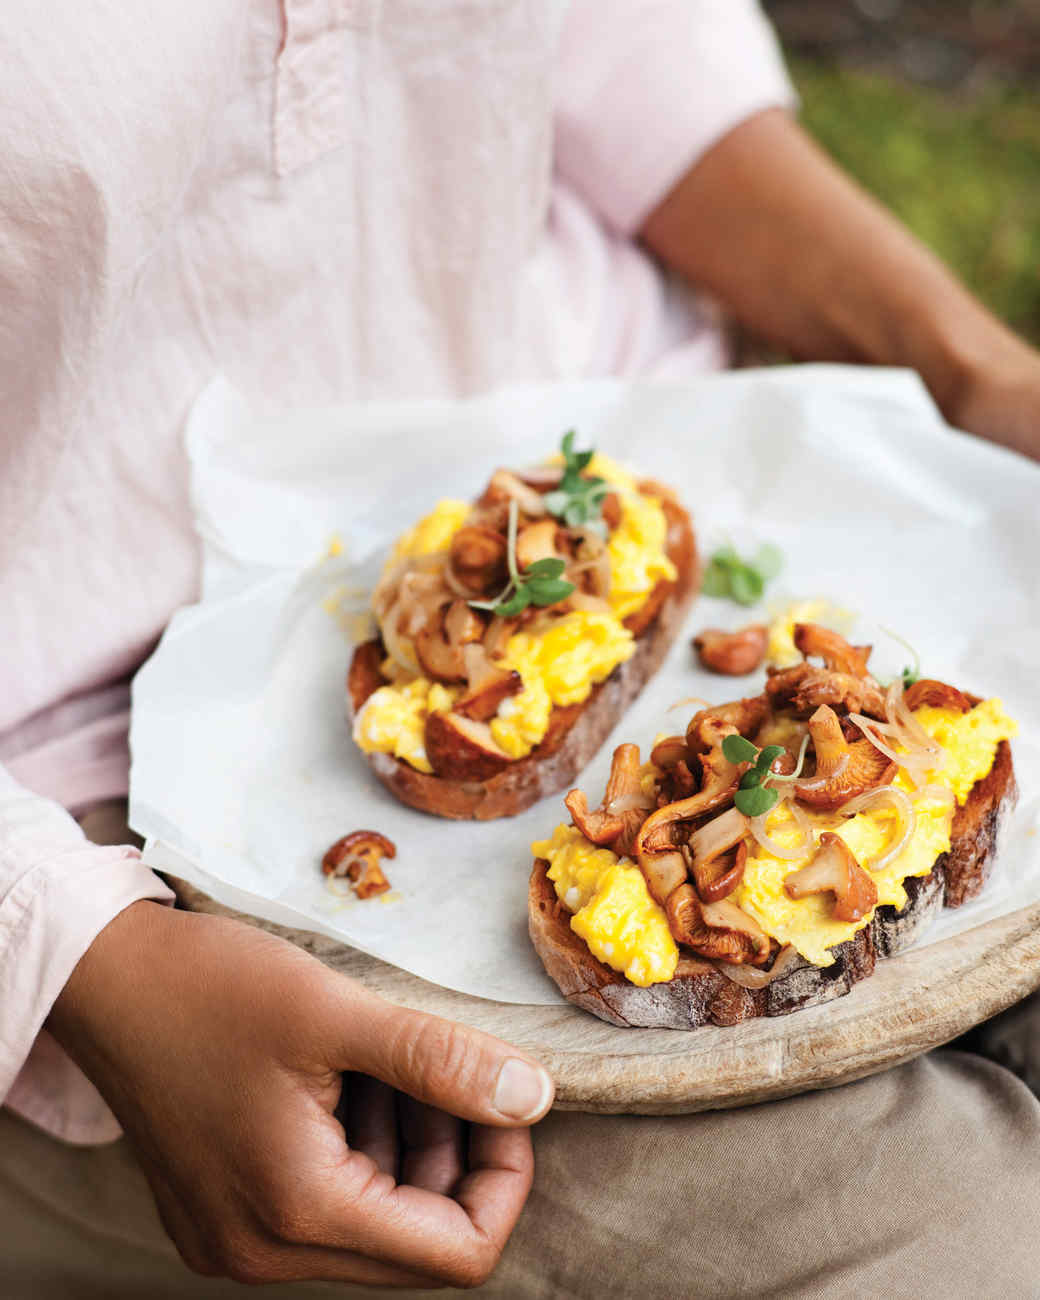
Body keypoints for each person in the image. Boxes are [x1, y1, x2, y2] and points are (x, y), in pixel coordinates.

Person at [2, 2, 1039, 1295]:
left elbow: (617, 41)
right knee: (986, 1247)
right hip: (91, 828)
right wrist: (61, 942)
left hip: (634, 431)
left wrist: (965, 364)